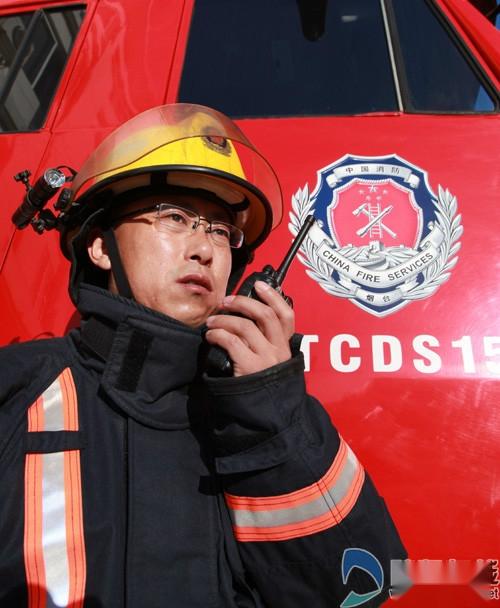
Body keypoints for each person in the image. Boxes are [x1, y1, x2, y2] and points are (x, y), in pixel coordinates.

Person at [0, 104, 406, 607]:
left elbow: (363, 589)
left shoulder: (264, 414)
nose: (206, 250)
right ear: (100, 247)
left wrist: (271, 415)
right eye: (175, 217)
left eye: (220, 231)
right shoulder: (17, 390)